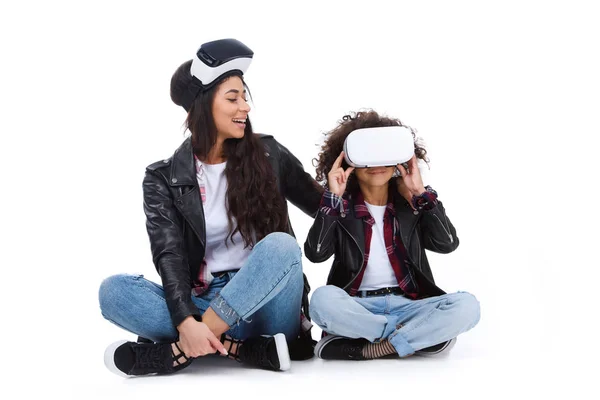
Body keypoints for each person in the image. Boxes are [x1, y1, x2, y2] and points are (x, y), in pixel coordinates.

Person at [99, 38, 322, 377]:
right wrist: (187, 319)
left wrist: (337, 195)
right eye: (233, 98)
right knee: (113, 292)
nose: (245, 107)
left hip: (268, 300)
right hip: (203, 299)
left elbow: (320, 208)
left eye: (245, 96)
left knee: (281, 246)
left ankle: (182, 349)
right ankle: (241, 348)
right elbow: (169, 254)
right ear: (202, 107)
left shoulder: (269, 153)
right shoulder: (163, 177)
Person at [305, 110, 480, 360]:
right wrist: (333, 199)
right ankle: (415, 340)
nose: (376, 166)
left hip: (410, 305)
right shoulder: (341, 208)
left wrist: (421, 194)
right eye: (368, 157)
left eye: (384, 157)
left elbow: (448, 244)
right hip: (359, 306)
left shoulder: (411, 205)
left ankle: (371, 346)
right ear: (348, 160)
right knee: (322, 300)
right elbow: (316, 254)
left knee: (468, 307)